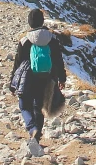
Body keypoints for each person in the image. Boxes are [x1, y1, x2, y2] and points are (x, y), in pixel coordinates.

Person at [10, 8, 66, 143]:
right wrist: (62, 78)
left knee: (24, 105)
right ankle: (38, 134)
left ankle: (31, 128)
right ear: (42, 21)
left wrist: (12, 82)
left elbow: (17, 63)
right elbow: (58, 60)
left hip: (28, 77)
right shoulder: (52, 39)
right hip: (47, 76)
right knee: (39, 106)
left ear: (30, 23)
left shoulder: (25, 40)